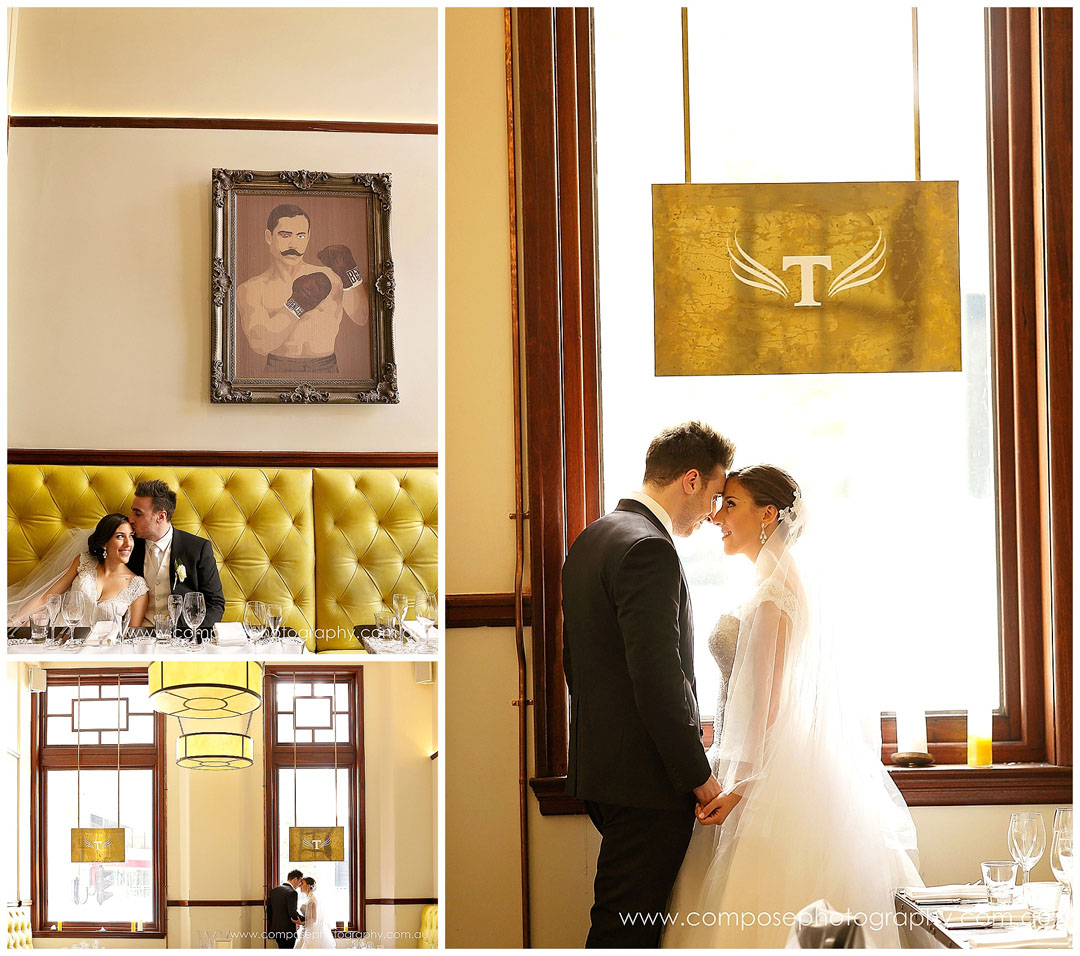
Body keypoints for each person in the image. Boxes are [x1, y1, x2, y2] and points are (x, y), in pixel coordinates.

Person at [661, 465, 923, 948]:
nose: (718, 517)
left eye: (731, 505)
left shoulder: (772, 596)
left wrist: (740, 788)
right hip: (756, 759)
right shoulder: (774, 585)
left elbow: (770, 704)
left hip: (763, 771)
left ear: (768, 515)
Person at [561, 421, 736, 948]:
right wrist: (696, 773)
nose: (713, 514)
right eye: (714, 495)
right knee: (625, 933)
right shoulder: (649, 550)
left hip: (606, 770)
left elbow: (576, 666)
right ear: (690, 480)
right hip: (646, 780)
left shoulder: (594, 536)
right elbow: (659, 679)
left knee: (621, 922)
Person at [237, 203, 368, 375]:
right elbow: (260, 344)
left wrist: (351, 277)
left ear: (308, 237)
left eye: (300, 236)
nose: (293, 244)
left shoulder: (331, 277)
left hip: (327, 369)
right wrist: (296, 304)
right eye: (285, 235)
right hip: (278, 371)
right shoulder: (251, 288)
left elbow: (362, 318)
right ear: (269, 237)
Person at [8, 513, 149, 627]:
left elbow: (132, 636)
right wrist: (13, 622)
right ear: (105, 542)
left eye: (131, 536)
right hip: (57, 637)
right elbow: (47, 597)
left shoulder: (137, 587)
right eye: (120, 536)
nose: (128, 543)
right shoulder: (84, 561)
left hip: (100, 650)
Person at [126, 479, 225, 640]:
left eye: (138, 513)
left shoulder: (197, 548)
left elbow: (216, 604)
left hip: (182, 638)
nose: (130, 519)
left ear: (161, 516)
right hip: (139, 637)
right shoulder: (128, 546)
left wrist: (193, 635)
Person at [267, 870, 306, 949]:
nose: (299, 885)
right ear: (295, 879)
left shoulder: (274, 891)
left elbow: (269, 911)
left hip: (276, 930)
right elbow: (292, 913)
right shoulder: (292, 892)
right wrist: (305, 919)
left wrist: (273, 924)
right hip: (288, 931)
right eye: (300, 882)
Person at [295, 876, 334, 949]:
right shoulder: (308, 898)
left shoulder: (312, 900)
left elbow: (314, 919)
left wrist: (301, 923)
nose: (300, 885)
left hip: (312, 932)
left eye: (302, 883)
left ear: (308, 886)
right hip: (306, 930)